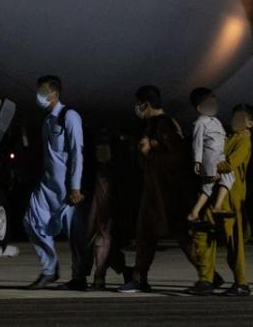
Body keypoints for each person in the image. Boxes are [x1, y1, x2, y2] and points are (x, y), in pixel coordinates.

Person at [118, 85, 200, 293]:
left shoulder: (163, 125)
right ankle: (140, 277)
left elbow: (176, 157)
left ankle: (208, 275)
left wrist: (148, 152)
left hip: (164, 191)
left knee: (163, 235)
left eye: (138, 104)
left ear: (145, 103)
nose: (136, 108)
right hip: (157, 190)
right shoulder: (154, 124)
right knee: (153, 236)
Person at [23, 75, 88, 290]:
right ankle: (49, 270)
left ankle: (79, 278)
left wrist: (76, 185)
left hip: (68, 188)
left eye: (42, 91)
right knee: (31, 221)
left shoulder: (69, 116)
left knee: (75, 235)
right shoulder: (47, 120)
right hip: (48, 185)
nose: (38, 96)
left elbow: (77, 151)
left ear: (54, 93)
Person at [188, 104, 253, 296]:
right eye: (234, 117)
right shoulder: (228, 137)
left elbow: (230, 164)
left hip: (232, 197)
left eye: (240, 119)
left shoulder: (243, 141)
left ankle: (241, 283)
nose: (235, 121)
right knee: (202, 234)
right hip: (216, 194)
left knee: (234, 241)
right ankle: (206, 280)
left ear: (250, 124)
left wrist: (211, 168)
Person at [83, 131, 131, 290]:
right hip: (102, 213)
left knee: (102, 242)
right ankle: (125, 272)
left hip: (105, 215)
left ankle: (99, 278)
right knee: (107, 247)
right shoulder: (101, 171)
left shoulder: (110, 174)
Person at [188, 88, 233, 221]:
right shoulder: (201, 122)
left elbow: (222, 136)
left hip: (219, 156)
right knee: (225, 177)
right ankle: (216, 206)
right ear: (200, 108)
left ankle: (194, 213)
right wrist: (197, 161)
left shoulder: (215, 121)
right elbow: (197, 142)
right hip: (210, 157)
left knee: (210, 186)